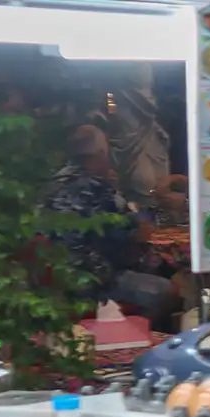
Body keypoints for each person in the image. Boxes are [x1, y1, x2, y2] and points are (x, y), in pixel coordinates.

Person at [44, 124, 176, 324]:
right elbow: (141, 233)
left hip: (51, 278)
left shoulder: (50, 185)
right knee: (168, 291)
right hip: (92, 282)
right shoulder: (101, 189)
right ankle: (136, 339)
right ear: (99, 154)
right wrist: (143, 207)